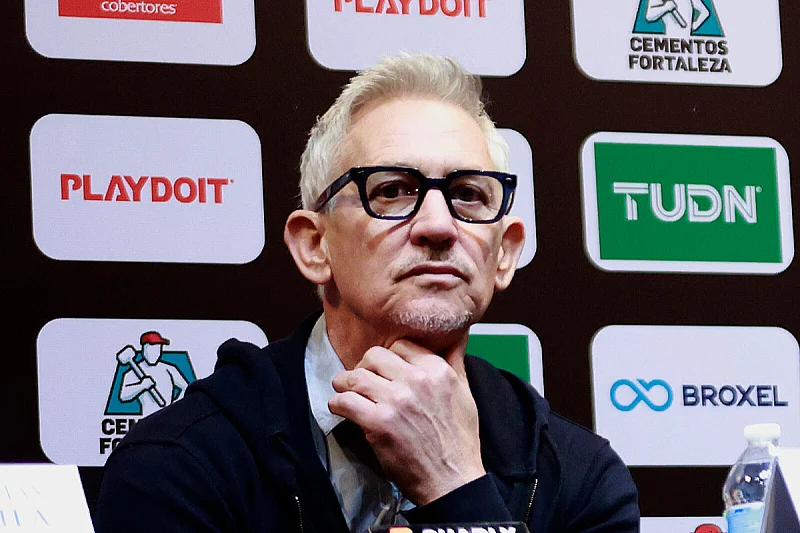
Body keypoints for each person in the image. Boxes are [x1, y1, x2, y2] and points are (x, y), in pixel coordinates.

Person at [93, 53, 640, 533]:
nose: (438, 225)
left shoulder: (582, 480)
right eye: (393, 190)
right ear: (315, 246)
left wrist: (456, 487)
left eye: (468, 194)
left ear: (504, 254)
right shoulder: (180, 465)